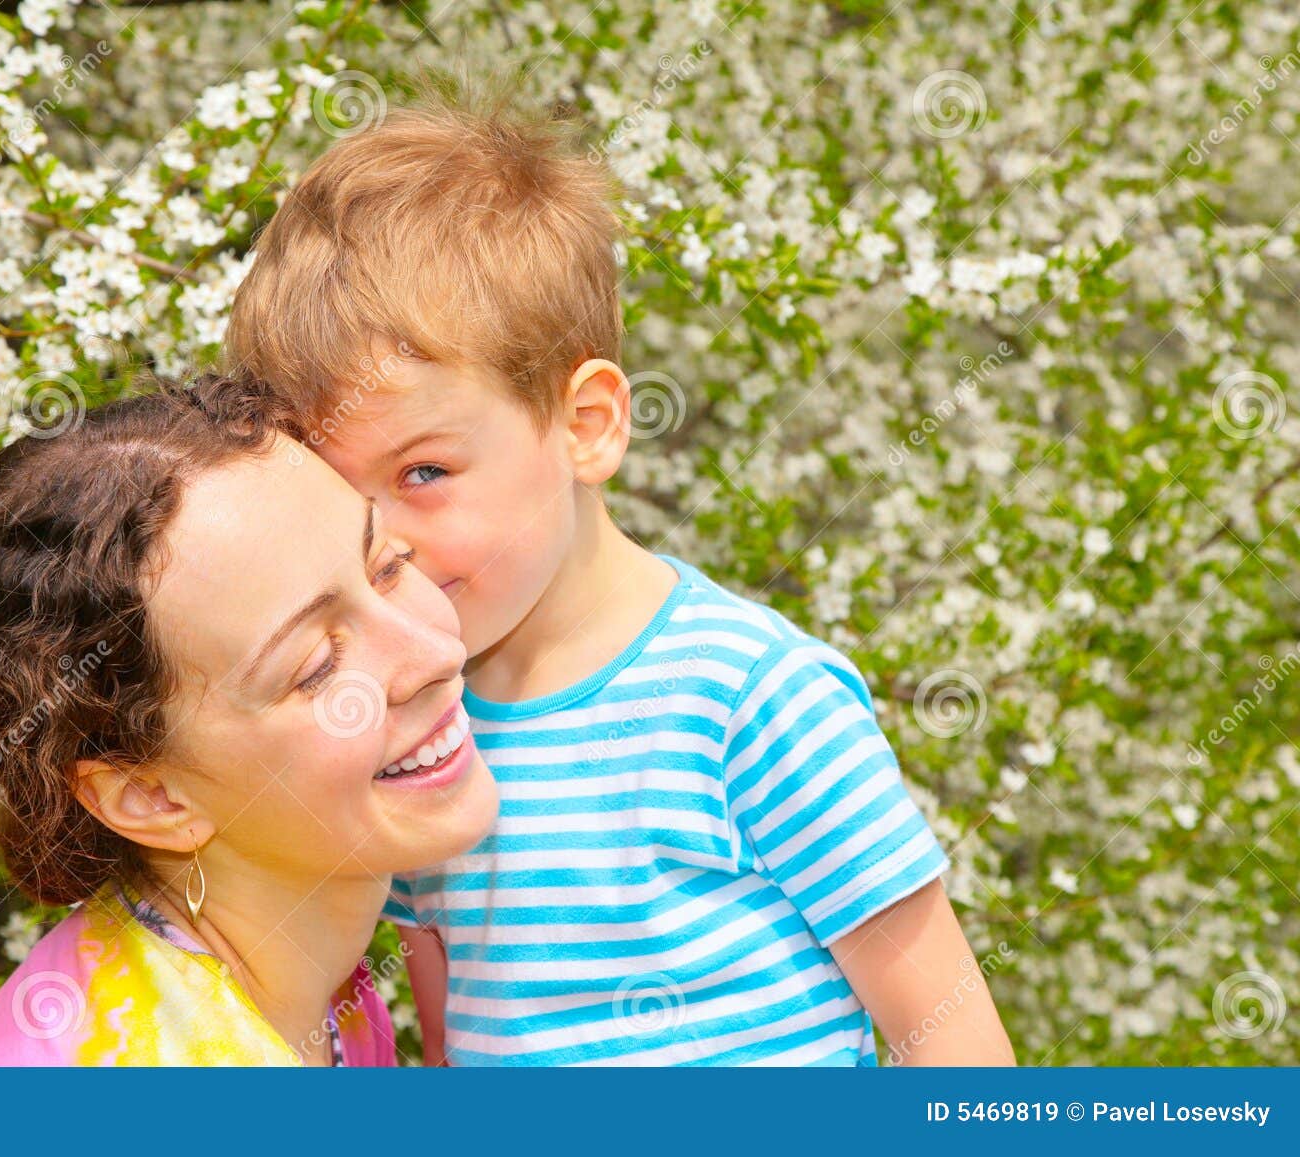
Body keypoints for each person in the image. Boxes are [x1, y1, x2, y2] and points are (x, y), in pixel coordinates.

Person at [219, 97, 1017, 1066]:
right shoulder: (413, 731)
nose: (387, 547)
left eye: (423, 472)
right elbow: (449, 1047)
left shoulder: (752, 699)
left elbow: (954, 1040)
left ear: (586, 424)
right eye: (343, 502)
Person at [0, 375, 499, 1066]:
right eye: (315, 665)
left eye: (388, 566)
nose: (435, 651)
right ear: (149, 795)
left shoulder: (296, 985)